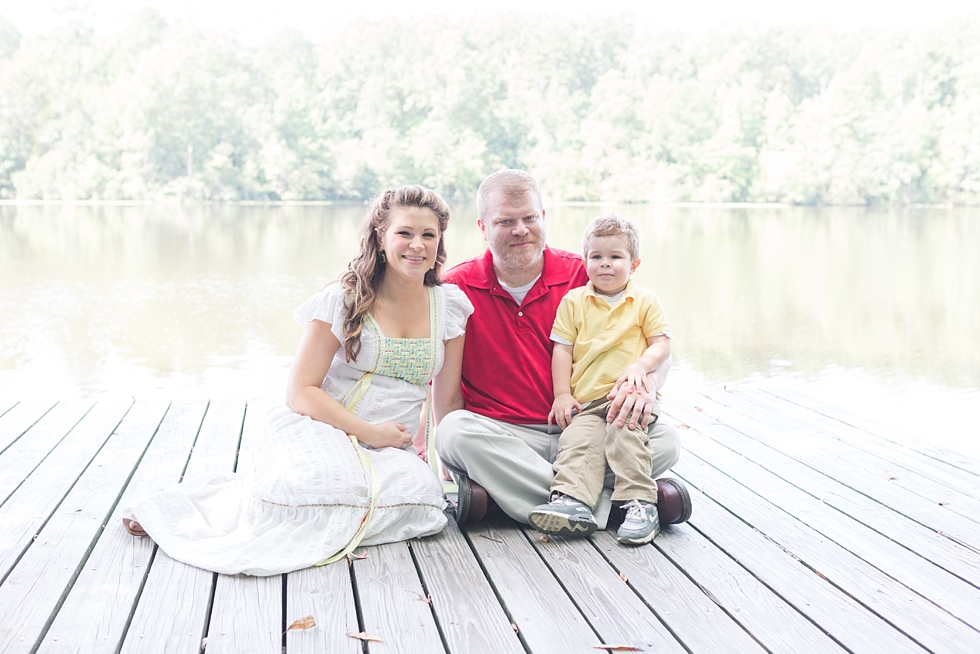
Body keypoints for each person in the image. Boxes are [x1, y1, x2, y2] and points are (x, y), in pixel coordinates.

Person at [121, 185, 474, 576]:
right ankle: (190, 511)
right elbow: (300, 392)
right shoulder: (343, 299)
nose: (417, 245)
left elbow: (447, 401)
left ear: (440, 242)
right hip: (321, 425)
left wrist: (443, 471)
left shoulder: (451, 307)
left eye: (428, 235)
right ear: (380, 236)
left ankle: (313, 511)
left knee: (424, 499)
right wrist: (368, 432)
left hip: (392, 446)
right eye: (404, 233)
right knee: (323, 486)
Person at [434, 170, 691, 534]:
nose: (520, 229)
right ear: (482, 226)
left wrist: (646, 381)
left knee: (666, 440)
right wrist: (451, 460)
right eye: (505, 221)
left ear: (543, 217)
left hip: (589, 426)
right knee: (452, 433)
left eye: (529, 218)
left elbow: (652, 340)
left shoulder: (585, 275)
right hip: (509, 438)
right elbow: (446, 394)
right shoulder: (457, 288)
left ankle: (509, 500)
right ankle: (613, 507)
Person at [529, 214, 671, 545]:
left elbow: (661, 344)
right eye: (596, 257)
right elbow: (562, 350)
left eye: (615, 257)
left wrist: (641, 367)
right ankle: (572, 502)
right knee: (578, 440)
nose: (605, 265)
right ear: (585, 261)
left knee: (624, 435)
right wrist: (562, 394)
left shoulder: (645, 301)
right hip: (589, 401)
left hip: (629, 398)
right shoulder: (574, 302)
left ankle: (640, 503)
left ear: (634, 264)